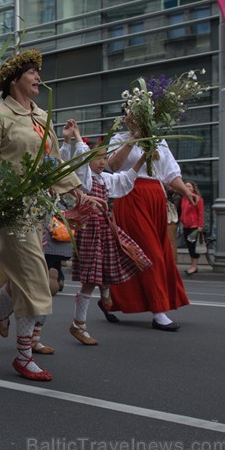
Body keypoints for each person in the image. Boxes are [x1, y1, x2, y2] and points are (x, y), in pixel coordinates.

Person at [0, 49, 102, 382]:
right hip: (12, 210)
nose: (38, 78)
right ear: (14, 80)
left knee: (19, 281)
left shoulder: (42, 116)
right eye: (31, 73)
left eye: (38, 73)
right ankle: (24, 355)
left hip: (39, 208)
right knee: (35, 279)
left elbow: (53, 162)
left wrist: (79, 191)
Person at [104, 110, 199, 331]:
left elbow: (169, 174)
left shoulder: (159, 141)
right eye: (129, 114)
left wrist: (186, 192)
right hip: (131, 196)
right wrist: (132, 139)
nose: (133, 118)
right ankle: (158, 311)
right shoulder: (120, 139)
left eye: (138, 114)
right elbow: (113, 166)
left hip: (155, 198)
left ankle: (110, 297)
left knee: (154, 252)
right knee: (148, 253)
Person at [63, 123, 151, 345]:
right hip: (91, 231)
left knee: (115, 261)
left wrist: (143, 158)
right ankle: (79, 324)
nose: (103, 162)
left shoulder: (104, 179)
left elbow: (125, 179)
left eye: (105, 158)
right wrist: (76, 136)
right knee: (90, 279)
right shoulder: (86, 179)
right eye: (99, 158)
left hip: (105, 229)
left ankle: (104, 291)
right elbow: (82, 158)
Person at [181, 181, 204, 275]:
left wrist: (200, 226)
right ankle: (192, 265)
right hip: (185, 226)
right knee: (189, 246)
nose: (187, 188)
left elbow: (201, 213)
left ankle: (194, 266)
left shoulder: (197, 198)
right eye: (186, 186)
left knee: (193, 246)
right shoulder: (184, 198)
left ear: (193, 188)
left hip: (194, 226)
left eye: (189, 186)